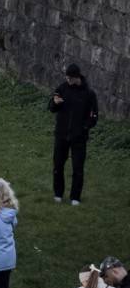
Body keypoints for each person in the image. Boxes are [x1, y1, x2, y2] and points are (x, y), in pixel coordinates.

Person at [50, 62, 100, 205]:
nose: (67, 80)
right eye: (66, 77)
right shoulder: (62, 88)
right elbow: (52, 107)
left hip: (79, 137)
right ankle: (58, 194)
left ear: (76, 77)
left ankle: (75, 197)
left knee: (78, 168)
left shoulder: (89, 94)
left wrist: (84, 128)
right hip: (61, 135)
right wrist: (55, 103)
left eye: (70, 78)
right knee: (58, 165)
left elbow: (94, 116)